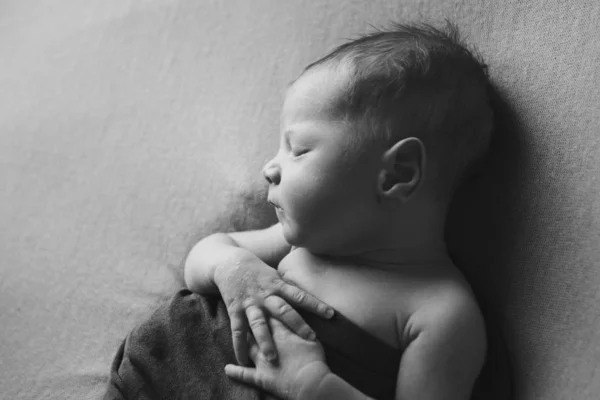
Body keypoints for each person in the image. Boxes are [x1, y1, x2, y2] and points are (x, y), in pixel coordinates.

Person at [183, 21, 494, 400]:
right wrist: (231, 268)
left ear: (398, 172)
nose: (269, 168)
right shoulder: (300, 243)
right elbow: (202, 255)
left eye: (297, 150)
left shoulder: (440, 314)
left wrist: (314, 387)